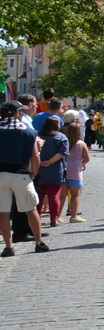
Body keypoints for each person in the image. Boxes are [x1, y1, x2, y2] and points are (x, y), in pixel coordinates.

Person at [0, 100, 49, 255]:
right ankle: (39, 242)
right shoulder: (28, 131)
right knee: (30, 209)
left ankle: (8, 246)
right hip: (21, 174)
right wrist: (34, 173)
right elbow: (35, 155)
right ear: (17, 113)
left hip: (1, 174)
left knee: (4, 212)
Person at [33, 115, 69, 226]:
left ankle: (36, 218)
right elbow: (62, 153)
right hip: (55, 169)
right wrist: (50, 161)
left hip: (39, 168)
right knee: (54, 195)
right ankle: (54, 219)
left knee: (39, 195)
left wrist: (42, 162)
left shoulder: (38, 136)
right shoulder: (61, 137)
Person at [61, 121, 89, 222]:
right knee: (75, 194)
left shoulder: (63, 141)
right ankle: (73, 215)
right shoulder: (81, 144)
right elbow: (87, 158)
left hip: (63, 168)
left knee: (62, 195)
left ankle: (57, 216)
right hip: (75, 170)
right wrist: (82, 162)